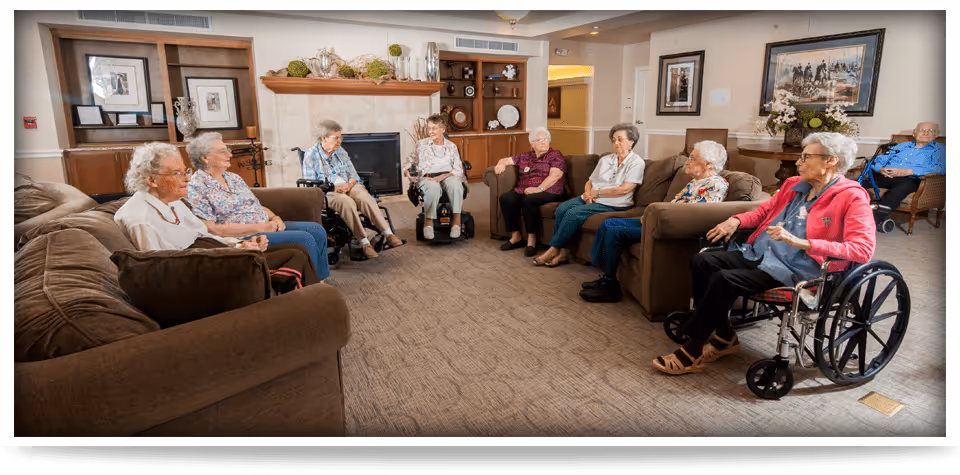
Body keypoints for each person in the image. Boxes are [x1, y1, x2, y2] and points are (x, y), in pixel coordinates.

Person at [653, 132, 876, 375]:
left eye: (806, 157)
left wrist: (805, 243)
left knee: (724, 279)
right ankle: (725, 336)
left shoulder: (852, 196)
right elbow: (762, 213)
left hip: (797, 269)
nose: (799, 162)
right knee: (703, 260)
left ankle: (693, 349)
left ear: (831, 161)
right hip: (761, 254)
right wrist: (736, 221)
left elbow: (862, 250)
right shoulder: (793, 185)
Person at [114, 142, 323, 287]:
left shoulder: (173, 202)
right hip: (202, 267)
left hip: (214, 252)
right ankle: (313, 308)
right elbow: (160, 270)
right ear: (151, 180)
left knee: (297, 249)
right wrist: (230, 252)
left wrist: (239, 245)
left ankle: (313, 302)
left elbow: (204, 234)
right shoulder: (141, 219)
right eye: (176, 173)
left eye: (184, 171)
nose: (186, 179)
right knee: (295, 255)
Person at [580, 140, 729, 303]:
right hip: (660, 221)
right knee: (608, 224)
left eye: (692, 158)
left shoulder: (716, 184)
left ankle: (610, 287)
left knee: (615, 231)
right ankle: (606, 276)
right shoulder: (696, 182)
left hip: (670, 228)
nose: (687, 161)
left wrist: (658, 214)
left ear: (708, 164)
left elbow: (696, 212)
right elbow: (679, 204)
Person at [184, 132, 330, 282]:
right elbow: (212, 228)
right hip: (244, 234)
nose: (229, 154)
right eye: (223, 151)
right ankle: (313, 289)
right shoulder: (197, 185)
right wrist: (261, 228)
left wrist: (275, 217)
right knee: (304, 238)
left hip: (267, 225)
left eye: (228, 149)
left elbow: (257, 206)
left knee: (315, 230)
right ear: (205, 158)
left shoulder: (233, 177)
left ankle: (320, 280)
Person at [533, 123, 645, 267]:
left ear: (631, 142)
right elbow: (590, 181)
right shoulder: (606, 160)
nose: (615, 143)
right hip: (592, 196)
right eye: (613, 140)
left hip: (612, 203)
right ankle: (564, 253)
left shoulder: (636, 163)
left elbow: (624, 189)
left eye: (620, 139)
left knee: (573, 214)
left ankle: (553, 249)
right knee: (562, 209)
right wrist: (588, 193)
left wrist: (596, 193)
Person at [301, 120, 404, 257]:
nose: (339, 141)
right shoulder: (311, 156)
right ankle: (364, 242)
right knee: (346, 202)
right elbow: (312, 186)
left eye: (340, 137)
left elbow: (353, 174)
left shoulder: (340, 151)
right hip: (328, 192)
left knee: (364, 198)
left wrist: (349, 185)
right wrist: (334, 188)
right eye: (336, 138)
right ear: (323, 138)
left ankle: (388, 234)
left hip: (349, 185)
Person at [492, 127, 566, 257]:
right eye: (540, 140)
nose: (544, 142)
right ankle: (516, 236)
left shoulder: (555, 155)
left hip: (550, 190)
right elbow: (506, 160)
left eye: (546, 139)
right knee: (507, 198)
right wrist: (500, 163)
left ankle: (532, 240)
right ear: (532, 143)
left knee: (529, 200)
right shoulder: (525, 156)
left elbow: (555, 175)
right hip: (525, 189)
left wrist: (539, 189)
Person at [864, 121, 945, 231]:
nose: (925, 133)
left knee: (901, 187)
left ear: (936, 134)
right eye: (922, 130)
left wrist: (909, 171)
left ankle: (871, 222)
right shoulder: (901, 146)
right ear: (915, 133)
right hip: (885, 175)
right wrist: (880, 169)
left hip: (910, 179)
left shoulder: (940, 149)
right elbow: (878, 160)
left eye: (930, 131)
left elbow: (941, 168)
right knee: (856, 184)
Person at [404, 114, 466, 240]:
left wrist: (443, 176)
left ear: (442, 129)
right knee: (432, 188)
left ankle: (457, 221)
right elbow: (410, 162)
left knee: (455, 184)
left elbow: (458, 169)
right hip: (427, 177)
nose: (430, 131)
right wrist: (409, 172)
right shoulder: (421, 144)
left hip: (448, 175)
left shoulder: (451, 147)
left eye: (434, 128)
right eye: (429, 128)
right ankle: (429, 222)